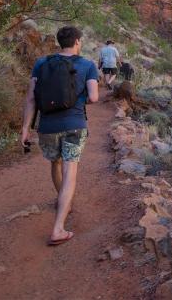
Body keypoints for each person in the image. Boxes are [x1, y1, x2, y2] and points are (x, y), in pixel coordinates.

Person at [21, 25, 99, 246]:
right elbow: (93, 98)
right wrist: (79, 97)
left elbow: (30, 99)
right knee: (70, 171)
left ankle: (62, 201)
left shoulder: (41, 63)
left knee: (55, 164)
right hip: (74, 125)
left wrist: (25, 128)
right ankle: (58, 229)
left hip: (47, 126)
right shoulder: (87, 64)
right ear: (77, 42)